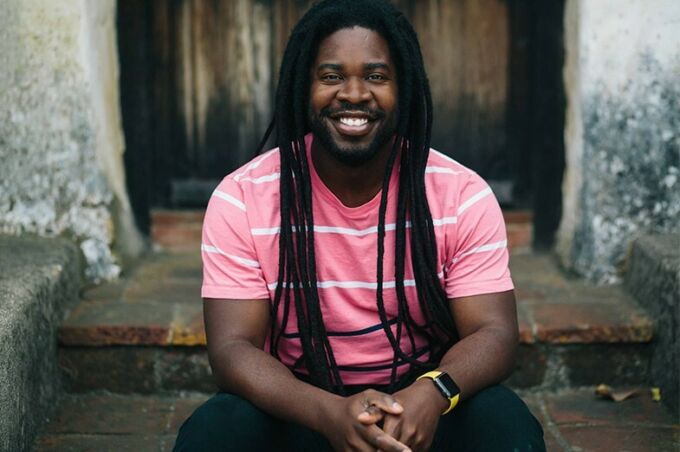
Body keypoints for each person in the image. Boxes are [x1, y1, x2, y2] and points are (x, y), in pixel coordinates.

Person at [174, 1, 545, 451]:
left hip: (420, 401)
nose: (353, 94)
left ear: (403, 88)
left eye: (376, 76)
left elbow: (495, 333)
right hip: (302, 402)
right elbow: (232, 350)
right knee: (214, 431)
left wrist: (434, 392)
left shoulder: (460, 194)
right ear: (302, 87)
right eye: (331, 76)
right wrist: (329, 414)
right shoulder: (245, 198)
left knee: (505, 426)